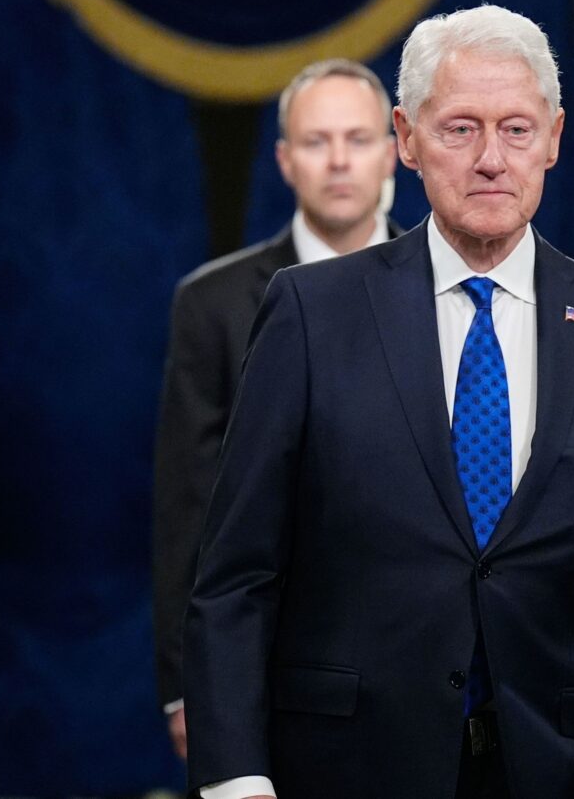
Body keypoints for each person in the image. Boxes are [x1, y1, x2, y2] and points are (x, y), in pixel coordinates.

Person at [181, 5, 574, 799]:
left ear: (555, 138)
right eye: (460, 129)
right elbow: (236, 574)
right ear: (407, 140)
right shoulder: (311, 314)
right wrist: (236, 779)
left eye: (517, 129)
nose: (492, 158)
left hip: (565, 773)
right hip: (347, 769)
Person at [151, 58, 402, 760]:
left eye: (358, 139)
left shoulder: (448, 290)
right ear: (286, 161)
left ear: (392, 152)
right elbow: (186, 508)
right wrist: (184, 685)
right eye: (318, 142)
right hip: (264, 659)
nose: (340, 161)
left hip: (416, 659)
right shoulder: (214, 303)